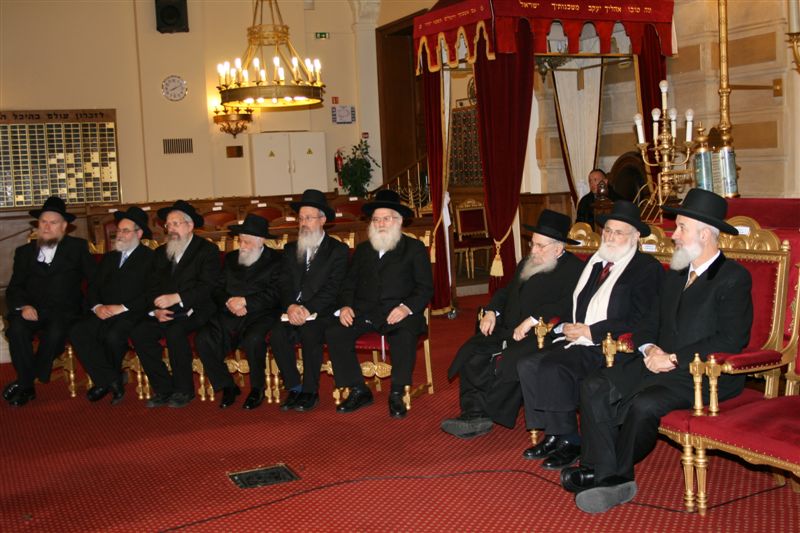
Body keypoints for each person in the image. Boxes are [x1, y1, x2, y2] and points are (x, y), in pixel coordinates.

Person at [562, 189, 752, 514]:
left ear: (704, 234)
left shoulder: (733, 277)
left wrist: (673, 358)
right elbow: (649, 321)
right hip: (657, 360)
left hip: (703, 374)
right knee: (594, 384)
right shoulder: (676, 273)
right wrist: (650, 348)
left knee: (644, 403)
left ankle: (613, 476)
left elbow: (731, 339)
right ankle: (602, 469)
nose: (673, 235)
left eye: (681, 228)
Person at [518, 200, 663, 470]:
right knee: (528, 363)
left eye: (618, 232)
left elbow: (640, 318)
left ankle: (570, 440)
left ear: (635, 236)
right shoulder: (596, 263)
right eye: (607, 230)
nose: (610, 237)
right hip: (580, 338)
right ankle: (554, 433)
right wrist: (565, 325)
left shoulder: (645, 268)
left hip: (610, 345)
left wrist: (590, 331)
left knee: (553, 366)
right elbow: (577, 303)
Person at [440, 210, 584, 439]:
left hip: (542, 334)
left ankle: (485, 415)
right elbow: (506, 291)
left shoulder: (574, 270)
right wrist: (492, 311)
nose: (533, 250)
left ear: (558, 249)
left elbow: (568, 305)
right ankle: (473, 412)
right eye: (533, 244)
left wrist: (533, 319)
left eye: (540, 246)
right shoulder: (528, 262)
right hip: (508, 327)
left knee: (511, 361)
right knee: (473, 352)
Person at [326, 189, 433, 418]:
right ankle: (358, 389)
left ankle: (397, 392)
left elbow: (425, 288)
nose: (380, 224)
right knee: (335, 332)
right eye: (376, 219)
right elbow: (348, 284)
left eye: (386, 219)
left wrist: (405, 308)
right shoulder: (363, 250)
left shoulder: (414, 249)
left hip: (400, 313)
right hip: (365, 313)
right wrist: (345, 306)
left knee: (403, 335)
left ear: (399, 221)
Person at [4, 196, 96, 407]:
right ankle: (27, 384)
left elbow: (95, 280)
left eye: (52, 222)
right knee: (16, 329)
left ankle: (25, 382)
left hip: (65, 311)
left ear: (64, 227)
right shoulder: (24, 252)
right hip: (33, 310)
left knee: (56, 332)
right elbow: (15, 287)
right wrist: (24, 306)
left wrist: (95, 306)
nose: (46, 226)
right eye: (43, 222)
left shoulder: (77, 248)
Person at [130, 200, 220, 408]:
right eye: (168, 225)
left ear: (190, 226)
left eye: (176, 224)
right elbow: (150, 286)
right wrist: (155, 309)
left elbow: (208, 286)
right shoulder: (161, 252)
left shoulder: (207, 250)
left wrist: (177, 297)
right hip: (164, 310)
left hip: (196, 308)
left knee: (175, 331)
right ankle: (163, 388)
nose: (171, 229)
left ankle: (183, 390)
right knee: (140, 332)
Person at [270, 189, 348, 412]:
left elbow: (333, 288)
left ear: (322, 220)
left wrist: (308, 309)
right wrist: (291, 306)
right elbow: (283, 283)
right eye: (301, 218)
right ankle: (294, 387)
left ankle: (310, 391)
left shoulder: (337, 250)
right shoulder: (290, 249)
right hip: (292, 310)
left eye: (309, 218)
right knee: (277, 334)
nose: (303, 223)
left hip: (322, 311)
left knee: (310, 333)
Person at [194, 214, 282, 409]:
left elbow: (276, 294)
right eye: (240, 241)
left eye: (247, 242)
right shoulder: (231, 258)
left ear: (261, 241)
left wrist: (246, 302)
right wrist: (228, 301)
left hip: (261, 314)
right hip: (229, 312)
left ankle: (257, 388)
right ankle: (227, 385)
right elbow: (217, 288)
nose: (242, 246)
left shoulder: (277, 260)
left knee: (254, 339)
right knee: (203, 338)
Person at [69, 206, 155, 405]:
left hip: (132, 313)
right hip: (104, 311)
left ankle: (105, 382)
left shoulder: (150, 258)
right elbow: (93, 287)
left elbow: (150, 294)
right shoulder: (109, 257)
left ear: (139, 234)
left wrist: (122, 307)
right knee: (78, 331)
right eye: (119, 231)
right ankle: (110, 379)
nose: (120, 235)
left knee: (113, 336)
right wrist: (97, 306)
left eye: (126, 231)